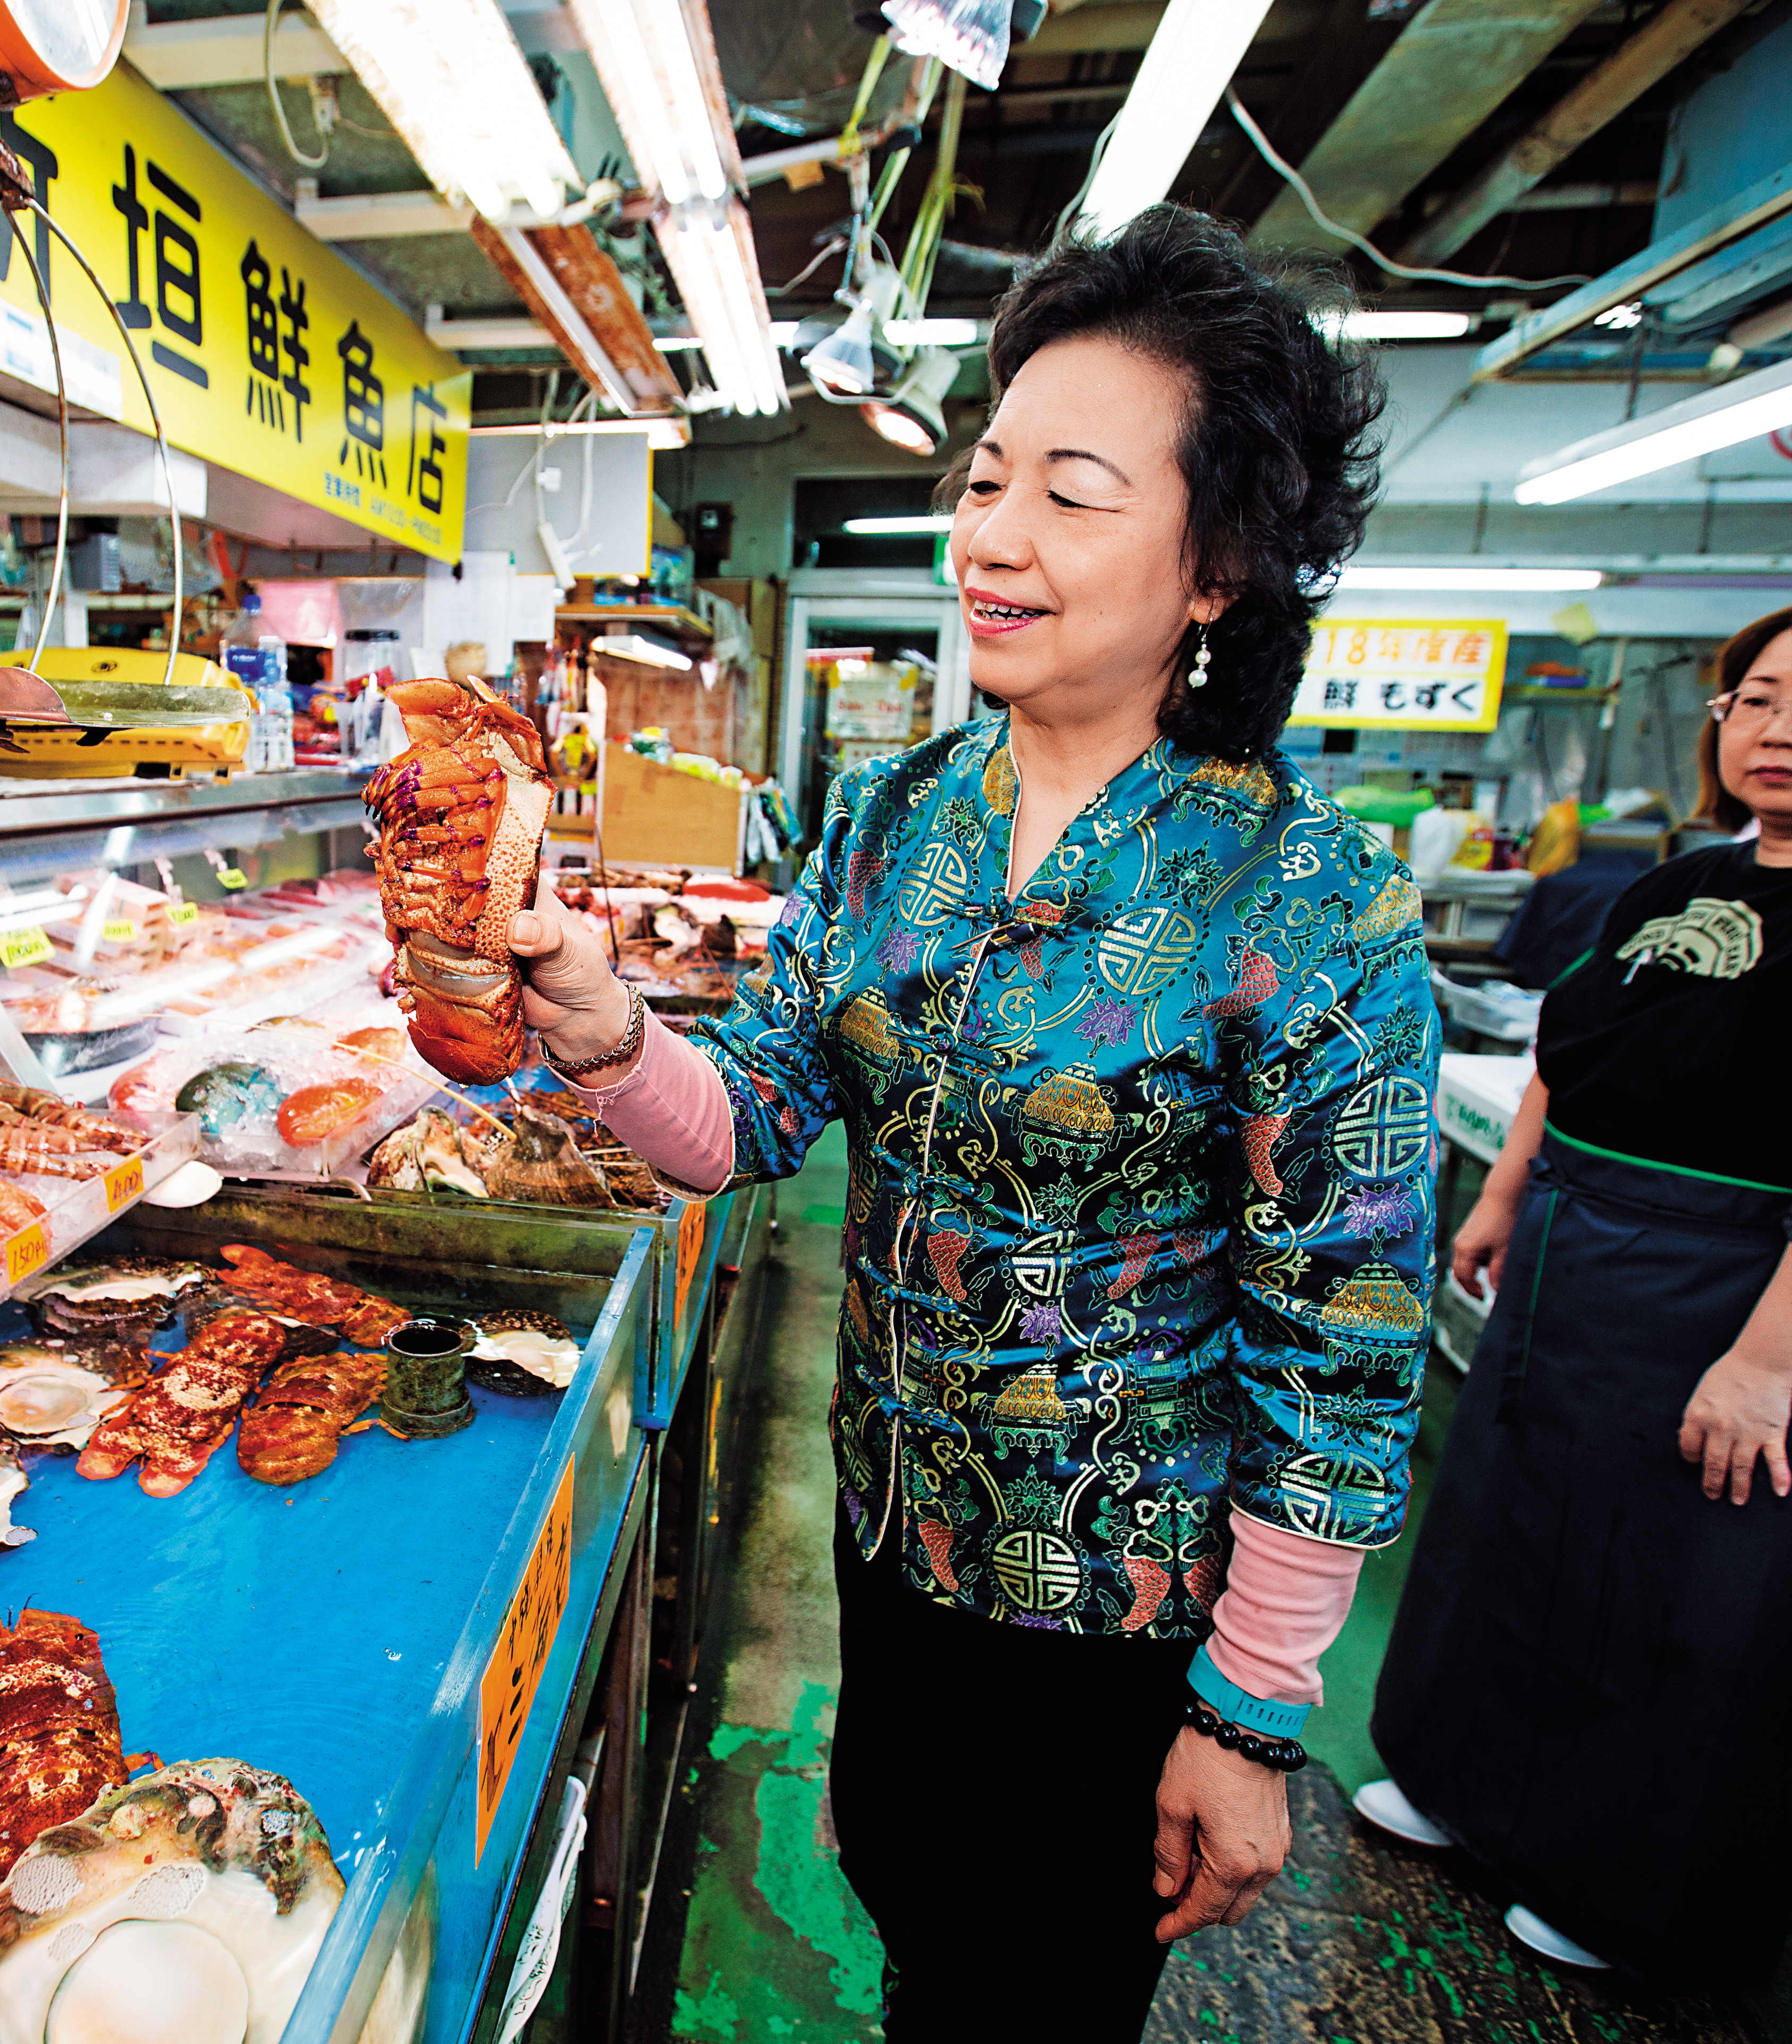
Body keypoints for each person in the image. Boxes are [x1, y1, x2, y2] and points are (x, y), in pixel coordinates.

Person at [504, 205, 1432, 2039]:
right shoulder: (888, 815)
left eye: (1072, 494)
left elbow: (1343, 1350)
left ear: (1220, 566)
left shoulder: (1308, 895)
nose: (992, 537)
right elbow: (759, 1113)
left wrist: (1250, 1715)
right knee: (919, 1915)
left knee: (1043, 1990)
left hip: (1116, 1606)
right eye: (989, 475)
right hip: (895, 1534)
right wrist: (604, 1023)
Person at [1364, 585, 1792, 1983]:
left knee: (1694, 1604)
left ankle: (1618, 1892)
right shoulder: (1684, 884)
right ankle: (1464, 1790)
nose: (1776, 729)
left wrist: (1763, 1366)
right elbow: (1572, 1048)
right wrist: (1502, 1195)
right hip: (1580, 1272)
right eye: (1754, 699)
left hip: (1757, 1300)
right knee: (1517, 1543)